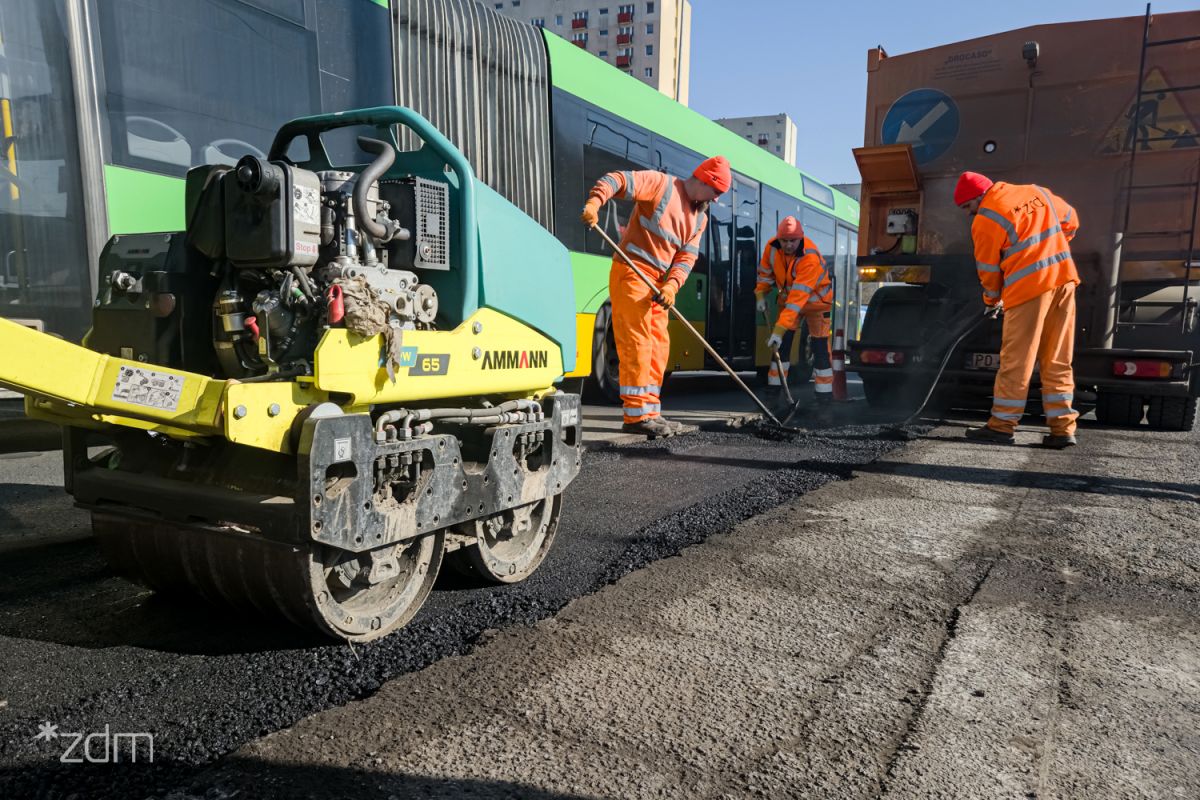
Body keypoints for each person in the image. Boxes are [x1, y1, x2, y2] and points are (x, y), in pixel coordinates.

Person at [581, 156, 730, 437]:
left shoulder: (700, 218)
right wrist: (595, 202)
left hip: (659, 284)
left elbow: (686, 258)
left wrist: (672, 286)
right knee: (638, 343)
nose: (717, 198)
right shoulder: (663, 185)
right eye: (717, 192)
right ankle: (636, 416)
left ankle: (651, 412)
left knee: (659, 347)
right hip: (632, 271)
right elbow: (618, 180)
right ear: (705, 181)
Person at [954, 171, 1081, 449]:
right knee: (1058, 359)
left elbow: (988, 270)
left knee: (1016, 360)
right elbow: (1071, 220)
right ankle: (1063, 429)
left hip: (1028, 289)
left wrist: (991, 301)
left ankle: (1001, 426)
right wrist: (1051, 250)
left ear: (977, 198)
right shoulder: (1036, 191)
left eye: (967, 207)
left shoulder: (986, 219)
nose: (968, 214)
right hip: (1063, 280)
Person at [755, 216, 833, 405]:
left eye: (793, 241)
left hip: (817, 304)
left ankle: (823, 399)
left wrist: (778, 330)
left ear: (801, 238)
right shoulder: (771, 248)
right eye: (784, 241)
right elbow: (765, 275)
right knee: (781, 347)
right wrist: (760, 295)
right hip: (790, 302)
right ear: (778, 239)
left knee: (819, 348)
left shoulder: (809, 257)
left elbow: (798, 299)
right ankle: (773, 393)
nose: (788, 245)